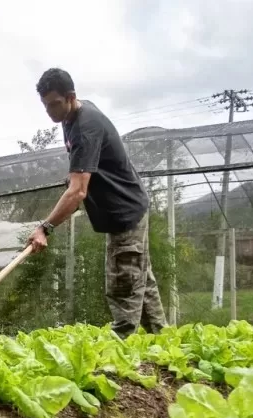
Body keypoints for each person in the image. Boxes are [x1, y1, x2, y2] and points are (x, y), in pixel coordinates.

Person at [25, 67, 167, 338]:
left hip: (124, 214)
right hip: (127, 209)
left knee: (124, 285)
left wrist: (45, 227)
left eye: (55, 104)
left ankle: (119, 352)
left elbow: (78, 192)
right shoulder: (72, 116)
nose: (50, 112)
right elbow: (82, 176)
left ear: (71, 97)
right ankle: (164, 343)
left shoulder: (85, 127)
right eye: (45, 106)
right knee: (141, 283)